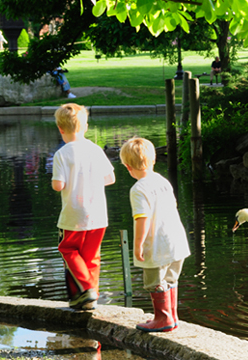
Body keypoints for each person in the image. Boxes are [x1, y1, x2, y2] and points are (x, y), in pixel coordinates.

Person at [119, 137, 190, 332]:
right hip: (177, 241)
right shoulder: (163, 181)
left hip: (157, 245)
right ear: (153, 160)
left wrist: (138, 245)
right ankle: (173, 317)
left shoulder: (138, 189)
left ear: (127, 167)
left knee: (154, 282)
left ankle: (163, 318)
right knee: (171, 279)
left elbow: (143, 219)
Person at [51, 103, 116, 311]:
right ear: (86, 127)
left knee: (68, 249)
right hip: (98, 215)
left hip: (73, 215)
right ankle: (91, 298)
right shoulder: (95, 149)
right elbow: (110, 178)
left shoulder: (62, 154)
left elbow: (58, 185)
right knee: (92, 256)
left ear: (61, 129)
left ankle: (86, 288)